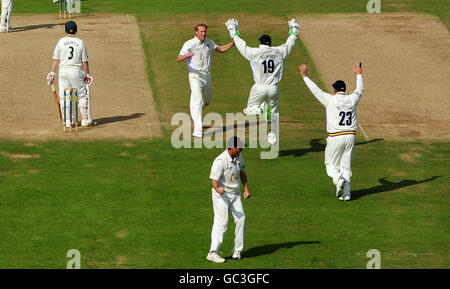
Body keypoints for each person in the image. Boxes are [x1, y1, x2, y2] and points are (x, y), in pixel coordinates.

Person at [224, 18, 299, 145]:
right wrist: (294, 30)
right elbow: (290, 43)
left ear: (260, 43)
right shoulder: (279, 51)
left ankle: (261, 109)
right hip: (273, 89)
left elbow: (242, 46)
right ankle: (272, 135)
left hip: (259, 88)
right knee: (273, 113)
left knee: (249, 109)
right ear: (270, 43)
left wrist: (234, 32)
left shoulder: (255, 52)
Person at [299, 63, 364, 201]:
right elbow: (360, 89)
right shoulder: (352, 99)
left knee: (330, 165)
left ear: (334, 90)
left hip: (336, 137)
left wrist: (305, 76)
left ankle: (338, 180)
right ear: (344, 90)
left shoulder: (330, 99)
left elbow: (316, 90)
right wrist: (359, 74)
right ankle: (346, 194)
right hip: (351, 137)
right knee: (345, 167)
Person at [177, 23, 235, 138]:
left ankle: (195, 111)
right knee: (197, 101)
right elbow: (178, 58)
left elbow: (221, 49)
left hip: (206, 75)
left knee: (207, 101)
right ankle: (198, 131)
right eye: (202, 32)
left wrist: (233, 43)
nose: (204, 34)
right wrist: (187, 55)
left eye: (205, 32)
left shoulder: (209, 42)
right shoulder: (190, 43)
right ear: (196, 32)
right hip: (194, 76)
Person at [207, 137, 251, 263]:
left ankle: (237, 251)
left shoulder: (238, 157)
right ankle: (212, 252)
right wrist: (217, 189)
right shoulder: (220, 160)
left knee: (241, 219)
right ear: (231, 147)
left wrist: (246, 189)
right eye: (239, 147)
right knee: (222, 222)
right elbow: (214, 180)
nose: (241, 149)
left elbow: (242, 172)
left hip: (235, 194)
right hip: (222, 194)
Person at [46, 21, 97, 128]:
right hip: (76, 71)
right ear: (76, 30)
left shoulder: (61, 41)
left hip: (63, 71)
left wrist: (52, 73)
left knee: (65, 96)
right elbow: (84, 61)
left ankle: (68, 121)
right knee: (82, 95)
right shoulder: (80, 42)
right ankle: (85, 120)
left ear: (65, 30)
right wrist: (88, 74)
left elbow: (56, 59)